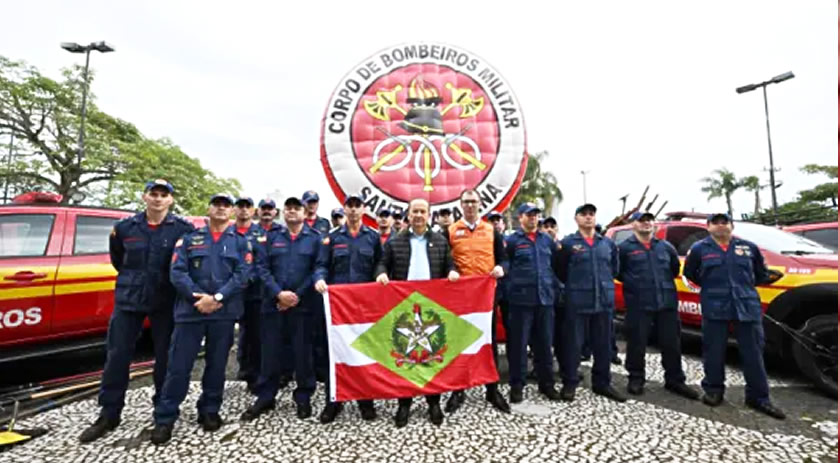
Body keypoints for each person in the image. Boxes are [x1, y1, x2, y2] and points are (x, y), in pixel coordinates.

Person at [79, 179, 194, 443]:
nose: (157, 199)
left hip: (165, 300)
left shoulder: (182, 230)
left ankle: (163, 415)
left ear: (170, 200)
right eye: (153, 194)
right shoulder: (124, 228)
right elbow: (118, 259)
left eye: (163, 195)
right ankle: (109, 414)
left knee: (166, 358)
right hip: (129, 300)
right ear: (144, 197)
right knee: (117, 356)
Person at [150, 193, 250, 444]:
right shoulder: (188, 239)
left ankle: (209, 410)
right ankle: (165, 417)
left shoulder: (240, 242)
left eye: (226, 206)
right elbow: (177, 272)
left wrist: (217, 297)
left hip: (223, 314)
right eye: (217, 204)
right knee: (178, 367)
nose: (221, 209)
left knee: (217, 367)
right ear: (209, 209)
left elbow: (243, 275)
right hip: (190, 313)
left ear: (231, 212)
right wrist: (199, 298)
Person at [683, 213, 785, 419]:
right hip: (715, 306)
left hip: (746, 306)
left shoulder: (748, 248)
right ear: (708, 227)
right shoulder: (699, 249)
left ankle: (758, 397)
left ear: (732, 225)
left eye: (725, 222)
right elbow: (691, 274)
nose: (721, 226)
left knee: (753, 354)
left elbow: (760, 274)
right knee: (713, 351)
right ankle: (713, 390)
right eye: (715, 223)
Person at [375, 198, 459, 427]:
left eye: (423, 211)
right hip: (404, 308)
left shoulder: (441, 242)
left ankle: (434, 402)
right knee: (406, 355)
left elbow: (450, 265)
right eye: (415, 211)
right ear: (409, 215)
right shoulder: (395, 242)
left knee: (431, 356)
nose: (419, 215)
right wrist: (381, 274)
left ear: (429, 215)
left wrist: (452, 272)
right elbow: (382, 263)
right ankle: (404, 403)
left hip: (433, 309)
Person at [241, 196, 327, 422]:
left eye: (296, 208)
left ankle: (303, 396)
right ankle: (266, 397)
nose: (292, 212)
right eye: (288, 208)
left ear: (303, 213)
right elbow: (262, 268)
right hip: (273, 305)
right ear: (283, 212)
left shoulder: (315, 239)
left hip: (303, 305)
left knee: (303, 354)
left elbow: (318, 268)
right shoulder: (270, 238)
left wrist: (296, 295)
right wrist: (279, 294)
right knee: (270, 353)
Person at [440, 190, 511, 414]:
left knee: (487, 343)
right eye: (466, 202)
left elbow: (504, 259)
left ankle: (492, 389)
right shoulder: (450, 231)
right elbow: (445, 260)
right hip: (460, 299)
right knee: (459, 344)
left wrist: (502, 268)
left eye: (473, 202)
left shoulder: (491, 230)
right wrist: (450, 270)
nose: (470, 205)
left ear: (480, 204)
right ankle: (458, 389)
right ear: (461, 205)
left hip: (486, 298)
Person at [314, 192, 382, 423]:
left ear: (363, 209)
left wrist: (381, 275)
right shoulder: (332, 238)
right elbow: (321, 265)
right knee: (335, 352)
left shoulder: (372, 237)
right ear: (344, 209)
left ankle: (366, 400)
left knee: (364, 350)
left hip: (363, 306)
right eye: (349, 206)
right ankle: (334, 401)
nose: (353, 210)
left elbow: (379, 265)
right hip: (338, 307)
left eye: (357, 206)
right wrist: (320, 279)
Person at [617, 211, 699, 400]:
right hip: (639, 303)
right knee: (637, 343)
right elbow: (618, 271)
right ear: (633, 224)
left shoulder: (665, 247)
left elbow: (673, 269)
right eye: (641, 221)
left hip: (666, 303)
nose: (646, 224)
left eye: (649, 220)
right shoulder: (624, 249)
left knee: (671, 343)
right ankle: (636, 378)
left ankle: (675, 380)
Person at [556, 204, 626, 403]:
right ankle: (570, 383)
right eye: (583, 214)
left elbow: (614, 269)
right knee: (573, 345)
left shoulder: (607, 244)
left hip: (603, 302)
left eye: (591, 214)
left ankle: (602, 383)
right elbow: (560, 270)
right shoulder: (568, 244)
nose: (588, 218)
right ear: (576, 219)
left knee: (603, 345)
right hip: (577, 302)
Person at [504, 202, 563, 404]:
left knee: (545, 345)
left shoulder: (547, 240)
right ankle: (517, 386)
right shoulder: (512, 241)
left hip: (545, 300)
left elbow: (555, 266)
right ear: (520, 217)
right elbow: (506, 265)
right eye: (529, 215)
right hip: (521, 301)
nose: (533, 218)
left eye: (536, 215)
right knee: (519, 346)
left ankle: (547, 385)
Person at [233, 197, 267, 392]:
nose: (244, 210)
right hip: (229, 292)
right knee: (230, 337)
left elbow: (262, 263)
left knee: (254, 335)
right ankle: (241, 370)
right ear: (234, 210)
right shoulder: (227, 232)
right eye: (240, 206)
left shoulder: (261, 234)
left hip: (253, 292)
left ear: (253, 211)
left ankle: (253, 375)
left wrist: (248, 279)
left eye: (247, 207)